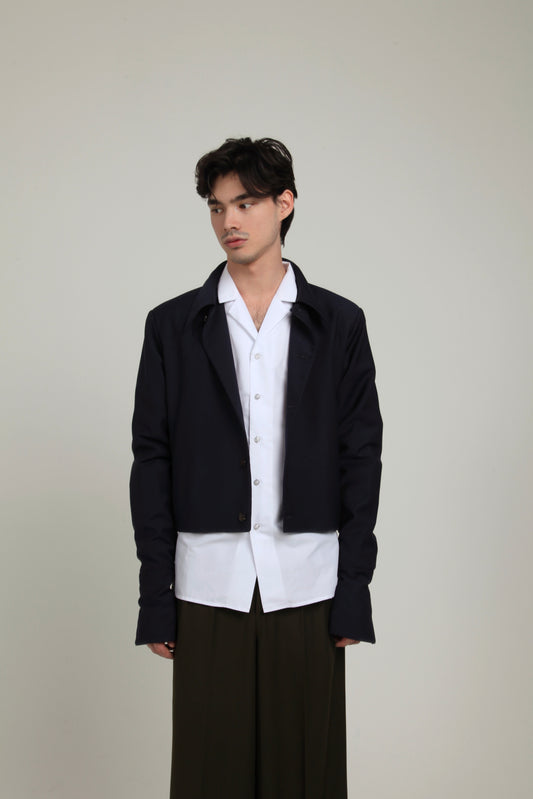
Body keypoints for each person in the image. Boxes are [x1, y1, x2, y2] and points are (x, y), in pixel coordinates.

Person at [130, 137, 382, 799]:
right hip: (208, 586)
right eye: (217, 207)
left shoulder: (338, 323)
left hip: (308, 584)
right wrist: (156, 598)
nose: (228, 221)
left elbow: (361, 458)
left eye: (245, 203)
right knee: (209, 776)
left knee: (306, 776)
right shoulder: (172, 326)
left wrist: (353, 588)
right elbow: (151, 461)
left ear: (285, 203)